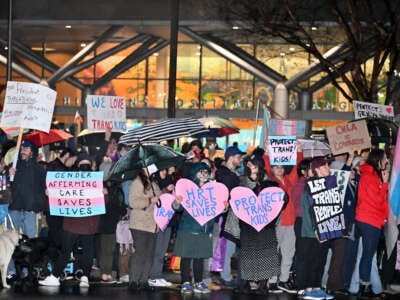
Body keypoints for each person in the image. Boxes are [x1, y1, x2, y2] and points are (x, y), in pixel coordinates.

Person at [39, 154, 101, 288]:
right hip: (88, 223)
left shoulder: (71, 180)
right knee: (87, 250)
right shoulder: (96, 181)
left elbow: (60, 198)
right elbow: (104, 201)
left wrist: (51, 195)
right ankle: (84, 277)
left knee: (66, 250)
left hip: (72, 222)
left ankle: (55, 276)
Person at [173, 162, 228, 294]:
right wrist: (176, 202)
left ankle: (198, 281)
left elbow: (217, 209)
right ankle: (185, 281)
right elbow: (178, 207)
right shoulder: (188, 189)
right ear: (195, 174)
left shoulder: (212, 191)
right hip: (188, 228)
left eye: (206, 172)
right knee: (186, 256)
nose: (204, 175)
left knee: (199, 257)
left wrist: (224, 207)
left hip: (204, 230)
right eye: (201, 172)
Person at [239, 153, 285, 294]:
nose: (252, 168)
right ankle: (247, 282)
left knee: (266, 254)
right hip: (248, 225)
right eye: (249, 166)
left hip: (266, 225)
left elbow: (282, 200)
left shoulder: (270, 183)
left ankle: (263, 284)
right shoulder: (242, 182)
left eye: (254, 166)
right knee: (248, 254)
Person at [263, 140, 303, 293]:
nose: (279, 169)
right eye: (276, 167)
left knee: (289, 252)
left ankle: (284, 280)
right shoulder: (270, 181)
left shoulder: (289, 180)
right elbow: (266, 168)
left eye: (281, 167)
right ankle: (272, 280)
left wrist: (299, 151)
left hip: (290, 221)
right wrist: (267, 152)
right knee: (274, 250)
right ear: (272, 169)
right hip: (276, 222)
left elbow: (296, 168)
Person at [7, 140, 47, 281]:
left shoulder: (40, 170)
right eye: (22, 147)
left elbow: (45, 190)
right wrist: (7, 174)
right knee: (11, 242)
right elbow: (5, 185)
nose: (23, 150)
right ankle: (11, 270)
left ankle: (27, 271)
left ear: (32, 152)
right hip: (15, 209)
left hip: (30, 211)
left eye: (26, 148)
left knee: (30, 242)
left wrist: (39, 205)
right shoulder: (14, 166)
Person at [296, 156, 334, 300]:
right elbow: (312, 210)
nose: (328, 169)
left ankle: (317, 287)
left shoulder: (327, 183)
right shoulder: (312, 184)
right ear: (317, 169)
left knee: (321, 259)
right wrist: (316, 229)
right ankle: (308, 289)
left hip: (324, 228)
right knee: (312, 259)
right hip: (313, 231)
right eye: (325, 166)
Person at [355, 149, 389, 298]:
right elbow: (376, 199)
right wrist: (385, 185)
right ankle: (364, 287)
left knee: (367, 254)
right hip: (369, 220)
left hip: (370, 219)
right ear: (378, 160)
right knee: (368, 255)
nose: (387, 161)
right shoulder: (369, 176)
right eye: (385, 158)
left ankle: (365, 286)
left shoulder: (371, 175)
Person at [128, 165, 162, 291]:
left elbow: (159, 198)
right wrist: (149, 200)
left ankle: (143, 281)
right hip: (140, 224)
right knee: (140, 253)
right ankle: (133, 281)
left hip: (153, 224)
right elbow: (132, 202)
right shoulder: (137, 182)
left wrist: (164, 192)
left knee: (149, 254)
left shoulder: (153, 182)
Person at [215, 146, 245, 289]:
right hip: (226, 216)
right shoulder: (225, 174)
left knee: (229, 247)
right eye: (239, 157)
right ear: (231, 157)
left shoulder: (232, 174)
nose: (240, 160)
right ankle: (225, 277)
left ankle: (226, 276)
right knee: (225, 247)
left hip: (232, 216)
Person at [147, 168, 175, 288]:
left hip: (168, 220)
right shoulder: (153, 182)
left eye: (166, 169)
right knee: (157, 250)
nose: (164, 172)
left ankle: (157, 275)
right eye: (162, 169)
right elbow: (154, 198)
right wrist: (165, 190)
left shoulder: (170, 180)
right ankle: (153, 276)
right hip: (157, 220)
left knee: (162, 250)